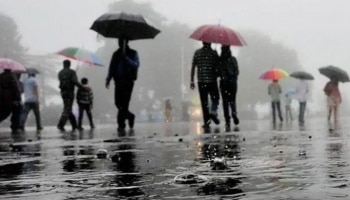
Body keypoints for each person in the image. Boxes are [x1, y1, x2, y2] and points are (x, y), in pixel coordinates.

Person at [106, 38, 139, 131]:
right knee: (118, 103)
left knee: (124, 103)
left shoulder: (133, 53)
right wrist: (108, 79)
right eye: (119, 41)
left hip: (128, 81)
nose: (120, 43)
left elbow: (136, 64)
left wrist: (126, 59)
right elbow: (112, 67)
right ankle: (130, 116)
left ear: (126, 42)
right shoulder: (116, 54)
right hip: (118, 81)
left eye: (122, 41)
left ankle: (121, 123)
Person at [190, 42, 220, 130]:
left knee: (204, 102)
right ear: (210, 43)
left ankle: (206, 122)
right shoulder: (213, 53)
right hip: (212, 81)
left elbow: (193, 67)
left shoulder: (197, 53)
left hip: (201, 81)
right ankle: (213, 112)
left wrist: (192, 80)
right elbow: (218, 67)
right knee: (215, 98)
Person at [218, 45, 240, 132]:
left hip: (223, 84)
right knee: (232, 100)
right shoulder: (233, 59)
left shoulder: (220, 61)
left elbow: (217, 72)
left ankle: (227, 119)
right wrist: (232, 76)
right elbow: (237, 71)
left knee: (225, 101)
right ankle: (234, 113)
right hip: (233, 83)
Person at [57, 59, 83, 132]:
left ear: (63, 64)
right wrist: (83, 87)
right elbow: (75, 81)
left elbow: (63, 81)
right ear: (69, 65)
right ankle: (60, 124)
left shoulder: (60, 73)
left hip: (63, 92)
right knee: (67, 109)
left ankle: (74, 125)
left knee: (68, 108)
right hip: (69, 92)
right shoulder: (72, 72)